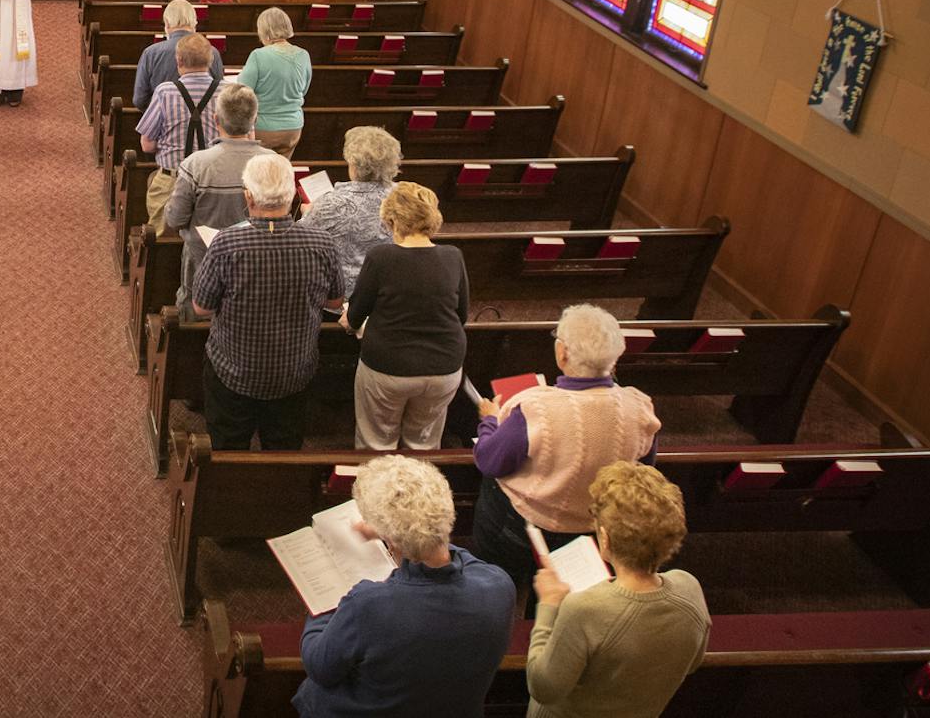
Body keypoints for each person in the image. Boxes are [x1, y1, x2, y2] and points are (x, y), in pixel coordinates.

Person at [296, 455, 516, 718]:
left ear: (390, 540)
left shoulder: (368, 604)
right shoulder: (499, 585)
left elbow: (319, 666)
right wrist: (408, 534)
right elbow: (454, 557)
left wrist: (320, 605)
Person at [472, 304, 663, 594]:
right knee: (560, 597)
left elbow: (489, 460)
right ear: (615, 358)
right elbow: (642, 471)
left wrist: (489, 420)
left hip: (521, 527)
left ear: (562, 353)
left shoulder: (535, 407)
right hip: (591, 531)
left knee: (498, 579)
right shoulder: (640, 408)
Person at [525, 461, 710, 718]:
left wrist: (548, 604)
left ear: (606, 538)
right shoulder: (688, 587)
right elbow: (692, 662)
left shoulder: (582, 609)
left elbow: (543, 688)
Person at [188, 152, 341, 450]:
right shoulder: (322, 242)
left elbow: (201, 307)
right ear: (292, 195)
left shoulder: (226, 244)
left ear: (248, 196)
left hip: (234, 370)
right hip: (294, 370)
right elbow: (335, 302)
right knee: (284, 447)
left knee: (228, 446)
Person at [344, 183, 469, 451]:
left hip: (388, 365)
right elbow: (462, 315)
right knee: (423, 443)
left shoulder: (381, 257)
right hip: (444, 365)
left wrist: (350, 321)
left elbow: (356, 314)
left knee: (377, 441)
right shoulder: (453, 256)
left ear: (392, 220)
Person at [166, 83, 274, 306]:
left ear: (216, 120)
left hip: (202, 261)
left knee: (195, 309)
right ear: (254, 119)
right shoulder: (274, 162)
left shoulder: (195, 164)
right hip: (257, 262)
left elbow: (175, 219)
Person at [299, 126, 401, 296]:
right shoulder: (404, 196)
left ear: (353, 164)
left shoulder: (331, 203)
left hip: (341, 295)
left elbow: (300, 237)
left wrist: (308, 213)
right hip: (389, 291)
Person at [137, 33, 220, 232]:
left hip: (172, 180)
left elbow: (147, 145)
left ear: (179, 61)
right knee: (208, 237)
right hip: (213, 182)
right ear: (211, 60)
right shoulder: (227, 91)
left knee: (162, 238)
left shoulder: (165, 92)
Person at [238, 6, 313, 157]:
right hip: (293, 127)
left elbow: (243, 90)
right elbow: (304, 89)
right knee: (281, 170)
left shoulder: (258, 55)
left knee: (258, 170)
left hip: (263, 127)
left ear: (264, 31)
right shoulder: (303, 55)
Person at [133, 0, 225, 107]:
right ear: (194, 23)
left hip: (163, 115)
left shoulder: (150, 53)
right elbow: (220, 95)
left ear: (167, 24)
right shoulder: (212, 51)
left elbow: (139, 100)